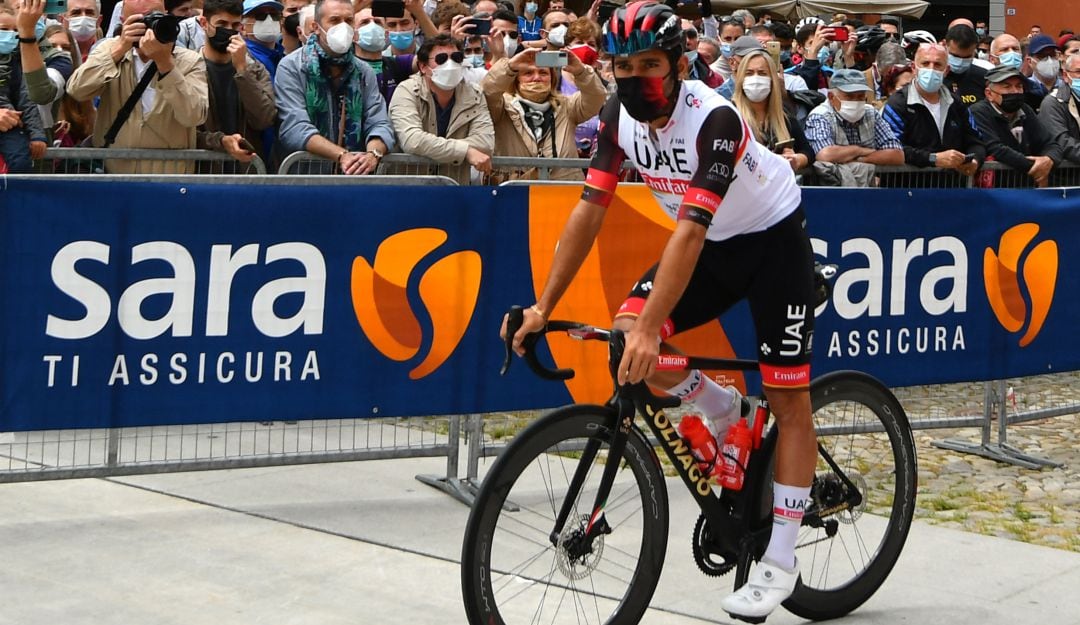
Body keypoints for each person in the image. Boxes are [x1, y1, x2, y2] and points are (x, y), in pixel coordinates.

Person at [503, 4, 815, 622]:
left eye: (650, 64)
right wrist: (544, 306)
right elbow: (590, 209)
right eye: (624, 65)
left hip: (772, 241)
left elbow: (691, 230)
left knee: (789, 400)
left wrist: (654, 327)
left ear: (678, 64)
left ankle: (781, 559)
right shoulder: (618, 114)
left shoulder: (715, 120)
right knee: (627, 342)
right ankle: (726, 410)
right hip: (710, 245)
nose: (635, 76)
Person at [66, 0, 208, 173]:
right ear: (123, 20)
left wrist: (165, 64)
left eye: (152, 17)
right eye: (138, 21)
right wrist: (120, 49)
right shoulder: (109, 49)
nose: (147, 26)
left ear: (165, 15)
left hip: (169, 178)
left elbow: (194, 116)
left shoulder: (190, 61)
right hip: (115, 177)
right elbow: (77, 90)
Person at [274, 0, 395, 174]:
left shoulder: (363, 71)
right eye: (335, 20)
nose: (343, 27)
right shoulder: (292, 66)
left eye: (349, 20)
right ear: (316, 27)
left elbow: (379, 122)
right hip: (304, 178)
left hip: (355, 177)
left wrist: (373, 154)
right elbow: (295, 127)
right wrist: (342, 155)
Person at [481, 45, 603, 181]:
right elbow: (487, 92)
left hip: (563, 192)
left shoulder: (567, 106)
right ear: (516, 79)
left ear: (552, 79)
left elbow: (596, 96)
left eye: (543, 73)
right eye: (528, 73)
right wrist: (509, 66)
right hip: (515, 193)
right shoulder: (502, 107)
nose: (537, 78)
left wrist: (581, 71)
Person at [388, 34, 494, 184]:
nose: (450, 64)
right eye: (441, 59)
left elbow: (485, 143)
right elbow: (412, 139)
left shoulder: (474, 93)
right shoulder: (407, 90)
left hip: (453, 188)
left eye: (456, 58)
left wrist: (435, 148)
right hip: (408, 189)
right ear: (423, 67)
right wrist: (466, 151)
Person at [195, 0, 276, 167]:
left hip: (246, 172)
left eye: (235, 25)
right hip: (201, 174)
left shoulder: (255, 68)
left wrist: (242, 70)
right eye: (222, 24)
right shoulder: (189, 67)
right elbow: (184, 132)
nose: (228, 30)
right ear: (204, 23)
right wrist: (221, 141)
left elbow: (264, 119)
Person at [882, 43, 984, 175]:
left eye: (937, 65)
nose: (931, 69)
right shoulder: (897, 103)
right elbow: (893, 148)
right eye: (925, 63)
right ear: (914, 67)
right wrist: (933, 159)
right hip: (907, 188)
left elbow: (976, 141)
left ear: (946, 70)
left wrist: (975, 160)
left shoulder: (956, 103)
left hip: (951, 187)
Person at [804, 68, 904, 185]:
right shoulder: (820, 116)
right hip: (828, 193)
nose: (856, 101)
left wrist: (860, 159)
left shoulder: (871, 113)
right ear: (831, 97)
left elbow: (897, 155)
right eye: (849, 97)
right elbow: (825, 154)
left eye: (861, 96)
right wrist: (859, 150)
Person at [970, 64, 1062, 187]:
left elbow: (1049, 143)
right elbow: (995, 147)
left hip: (1026, 188)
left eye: (1019, 86)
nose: (1015, 91)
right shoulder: (978, 111)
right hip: (994, 190)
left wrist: (1049, 159)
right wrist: (1035, 167)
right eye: (1007, 87)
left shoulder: (1025, 110)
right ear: (989, 94)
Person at [731, 49, 813, 172]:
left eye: (762, 73)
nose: (756, 78)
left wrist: (796, 159)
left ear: (772, 79)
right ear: (740, 79)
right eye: (749, 73)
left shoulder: (783, 115)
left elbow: (808, 152)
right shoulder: (729, 113)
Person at [14, 0, 74, 138]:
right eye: (21, 7)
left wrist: (27, 34)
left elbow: (41, 94)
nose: (28, 12)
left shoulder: (59, 58)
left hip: (35, 150)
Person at [0, 4, 47, 172]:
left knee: (21, 164)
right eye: (4, 29)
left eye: (15, 31)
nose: (10, 35)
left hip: (10, 127)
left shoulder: (18, 62)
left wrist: (37, 135)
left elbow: (27, 99)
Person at [354, 7, 416, 104]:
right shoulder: (346, 68)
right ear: (353, 34)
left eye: (377, 22)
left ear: (386, 34)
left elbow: (434, 58)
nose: (372, 26)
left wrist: (419, 11)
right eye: (365, 22)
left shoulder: (396, 64)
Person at [1038, 52, 1080, 165]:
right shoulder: (1053, 103)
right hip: (1065, 178)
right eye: (1078, 72)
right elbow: (1062, 142)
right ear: (1066, 76)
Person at [942, 24, 986, 106]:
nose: (960, 62)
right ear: (945, 45)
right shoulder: (933, 77)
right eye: (955, 56)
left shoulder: (984, 77)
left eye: (967, 57)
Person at [681, 21, 721, 88]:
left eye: (691, 35)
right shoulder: (659, 76)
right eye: (682, 36)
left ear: (698, 43)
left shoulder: (715, 79)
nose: (687, 41)